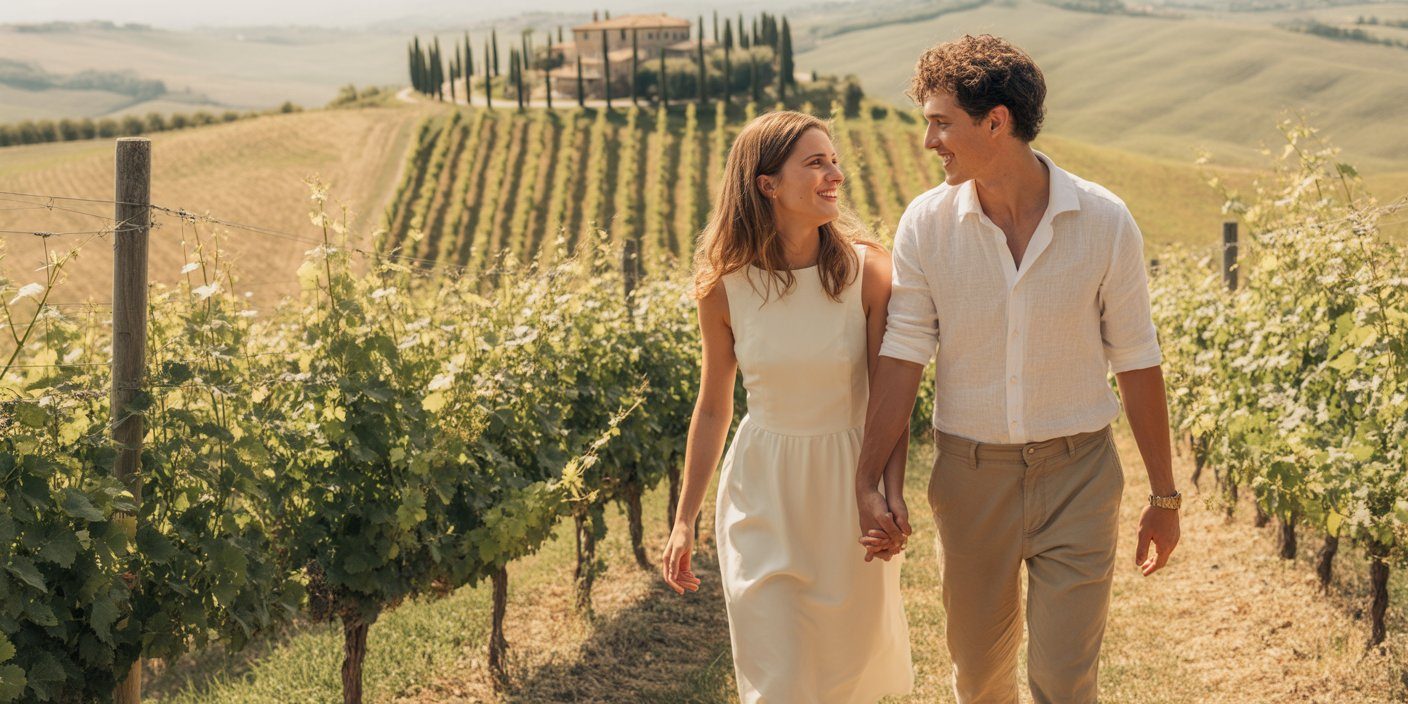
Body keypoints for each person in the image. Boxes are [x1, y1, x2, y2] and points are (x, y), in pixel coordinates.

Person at [854, 35, 1182, 703]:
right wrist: (867, 478)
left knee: (1064, 678)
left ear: (995, 122)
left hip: (1079, 477)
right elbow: (903, 353)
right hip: (971, 479)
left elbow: (1138, 359)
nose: (929, 142)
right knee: (978, 679)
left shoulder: (1104, 221)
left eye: (941, 123)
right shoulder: (926, 225)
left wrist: (1164, 496)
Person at [661, 110, 914, 702]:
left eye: (833, 159)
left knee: (845, 675)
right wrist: (682, 519)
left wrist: (888, 493)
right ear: (766, 183)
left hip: (849, 484)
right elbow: (714, 407)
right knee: (775, 675)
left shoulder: (869, 271)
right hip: (761, 490)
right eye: (816, 162)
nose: (835, 173)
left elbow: (890, 398)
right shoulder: (723, 286)